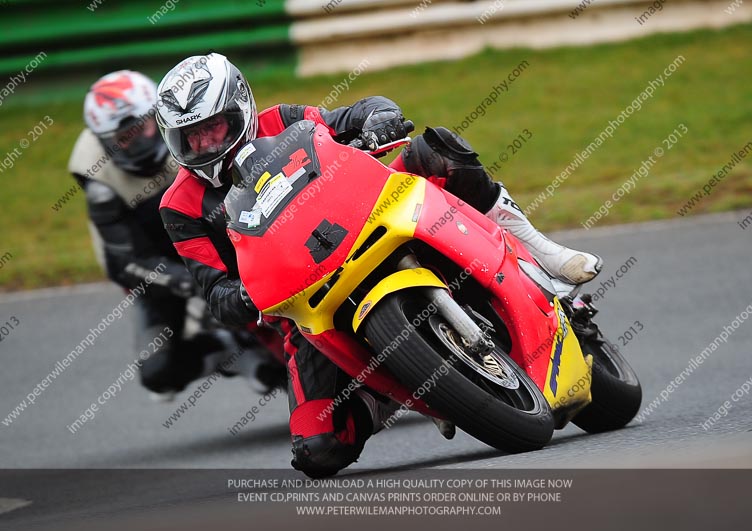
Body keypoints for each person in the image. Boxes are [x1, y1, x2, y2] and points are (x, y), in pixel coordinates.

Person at [156, 53, 602, 476]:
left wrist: (378, 118)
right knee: (319, 450)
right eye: (190, 138)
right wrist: (244, 294)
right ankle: (383, 394)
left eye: (214, 128)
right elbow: (213, 290)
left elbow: (356, 112)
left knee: (436, 150)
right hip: (304, 304)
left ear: (241, 109)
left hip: (367, 221)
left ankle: (545, 255)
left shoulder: (281, 121)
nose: (205, 144)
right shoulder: (179, 206)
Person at [69, 69, 284, 400]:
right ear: (103, 140)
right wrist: (187, 282)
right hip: (154, 269)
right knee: (159, 373)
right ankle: (228, 350)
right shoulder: (96, 173)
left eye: (144, 127)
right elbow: (124, 262)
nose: (139, 141)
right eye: (124, 138)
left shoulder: (185, 132)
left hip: (213, 235)